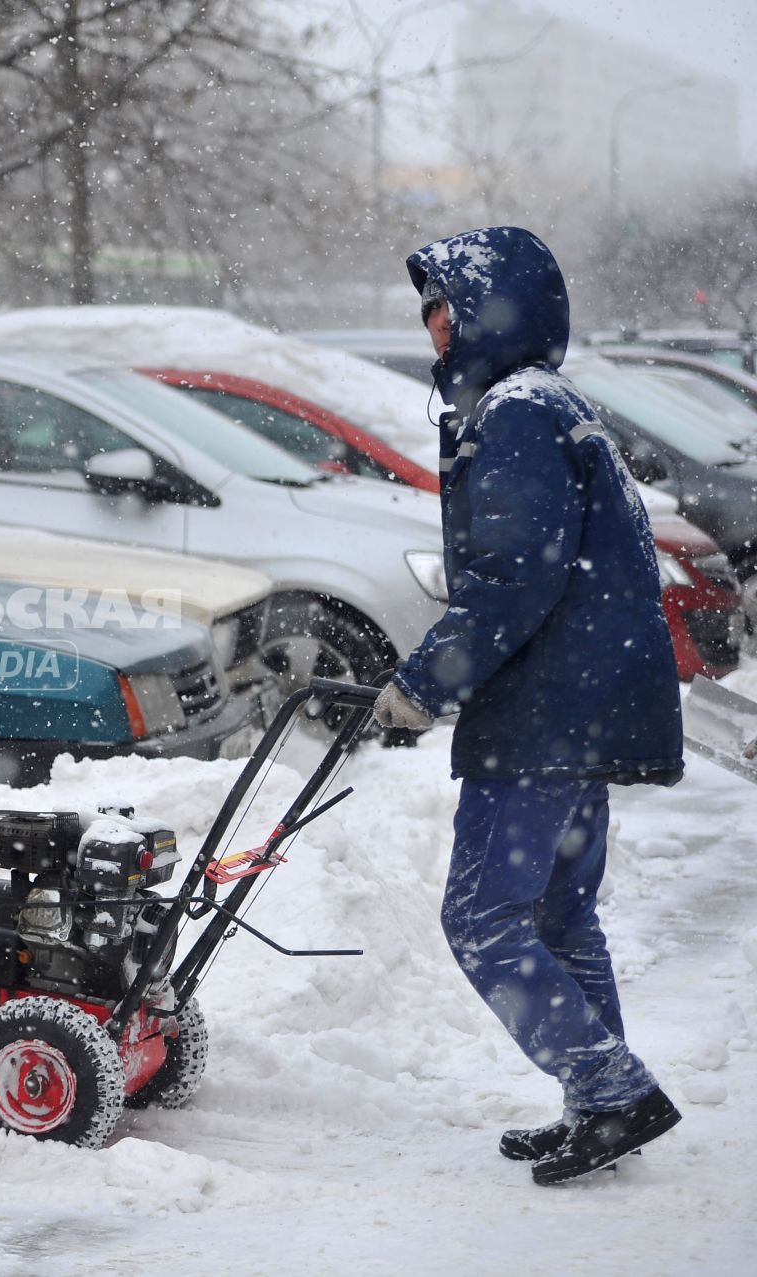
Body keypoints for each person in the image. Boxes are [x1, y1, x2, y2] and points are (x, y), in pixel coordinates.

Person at [370, 226, 683, 1185]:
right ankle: (602, 1098)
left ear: (492, 310)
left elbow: (511, 582)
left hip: (545, 716)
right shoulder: (550, 404)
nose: (432, 326)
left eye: (446, 307)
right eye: (427, 310)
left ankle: (610, 1089)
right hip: (582, 709)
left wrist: (421, 687)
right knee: (555, 915)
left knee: (482, 919)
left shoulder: (512, 413)